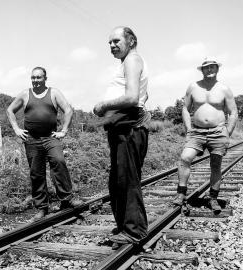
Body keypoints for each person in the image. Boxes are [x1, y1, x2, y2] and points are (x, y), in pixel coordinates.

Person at [93, 26, 151, 246]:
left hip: (129, 127)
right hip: (124, 126)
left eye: (116, 41)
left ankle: (134, 231)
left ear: (132, 41)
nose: (112, 46)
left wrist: (103, 105)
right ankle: (126, 226)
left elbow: (132, 97)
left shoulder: (132, 60)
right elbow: (144, 94)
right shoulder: (130, 62)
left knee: (127, 180)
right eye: (109, 43)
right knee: (118, 180)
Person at [7, 67, 81, 222]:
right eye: (33, 78)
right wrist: (16, 128)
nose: (35, 80)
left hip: (50, 137)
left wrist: (64, 130)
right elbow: (10, 110)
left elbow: (68, 110)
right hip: (32, 139)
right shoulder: (25, 94)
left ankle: (67, 199)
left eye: (38, 78)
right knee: (36, 173)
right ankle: (42, 208)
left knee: (59, 162)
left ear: (45, 78)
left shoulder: (53, 93)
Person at [173, 58, 238, 214]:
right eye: (206, 68)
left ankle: (213, 198)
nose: (210, 70)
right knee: (185, 158)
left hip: (218, 131)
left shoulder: (224, 89)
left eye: (212, 67)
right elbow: (185, 109)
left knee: (215, 165)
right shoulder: (193, 87)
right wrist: (189, 129)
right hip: (197, 132)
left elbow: (233, 112)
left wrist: (227, 132)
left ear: (217, 69)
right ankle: (181, 193)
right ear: (202, 70)